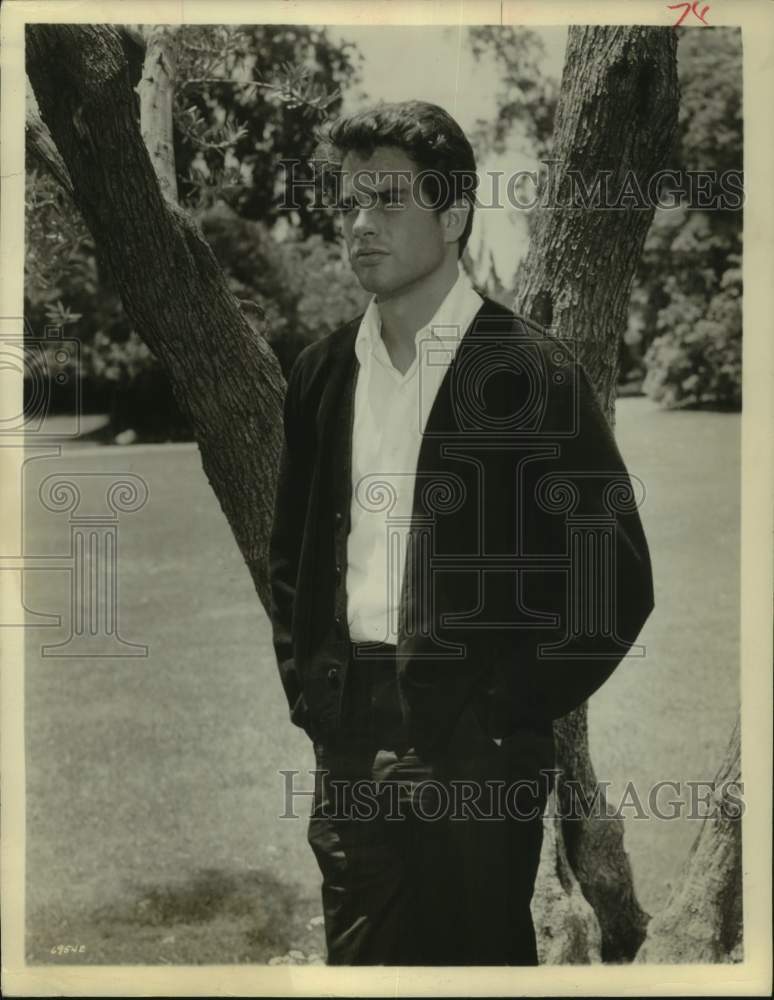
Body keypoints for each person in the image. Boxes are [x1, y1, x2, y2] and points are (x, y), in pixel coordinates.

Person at [269, 100, 654, 966]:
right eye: (351, 201)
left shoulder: (530, 373)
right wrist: (318, 700)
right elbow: (291, 562)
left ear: (452, 216)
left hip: (477, 751)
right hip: (349, 739)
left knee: (477, 966)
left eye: (388, 201)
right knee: (361, 966)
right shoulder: (322, 375)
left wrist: (503, 708)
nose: (360, 224)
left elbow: (615, 582)